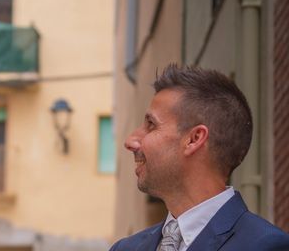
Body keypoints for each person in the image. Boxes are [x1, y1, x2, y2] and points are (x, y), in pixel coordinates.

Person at [111, 64, 289, 250]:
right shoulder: (124, 248)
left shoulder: (266, 246)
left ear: (194, 139)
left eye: (151, 125)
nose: (130, 141)